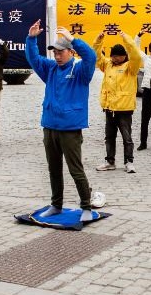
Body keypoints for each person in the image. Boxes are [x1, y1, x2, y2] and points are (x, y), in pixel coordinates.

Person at [25, 20, 98, 221]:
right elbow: (34, 59)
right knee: (54, 169)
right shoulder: (51, 69)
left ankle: (86, 207)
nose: (57, 56)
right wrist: (31, 39)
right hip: (50, 125)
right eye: (55, 53)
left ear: (71, 52)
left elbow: (91, 56)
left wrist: (73, 40)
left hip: (70, 128)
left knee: (76, 169)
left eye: (61, 52)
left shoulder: (81, 71)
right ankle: (56, 205)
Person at [94, 30, 144, 173]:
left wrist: (126, 39)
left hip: (124, 109)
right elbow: (96, 56)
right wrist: (98, 41)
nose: (114, 59)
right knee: (109, 137)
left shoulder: (131, 67)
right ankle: (110, 162)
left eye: (117, 56)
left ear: (124, 56)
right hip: (109, 108)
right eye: (113, 56)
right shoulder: (107, 65)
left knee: (127, 138)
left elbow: (136, 54)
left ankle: (129, 162)